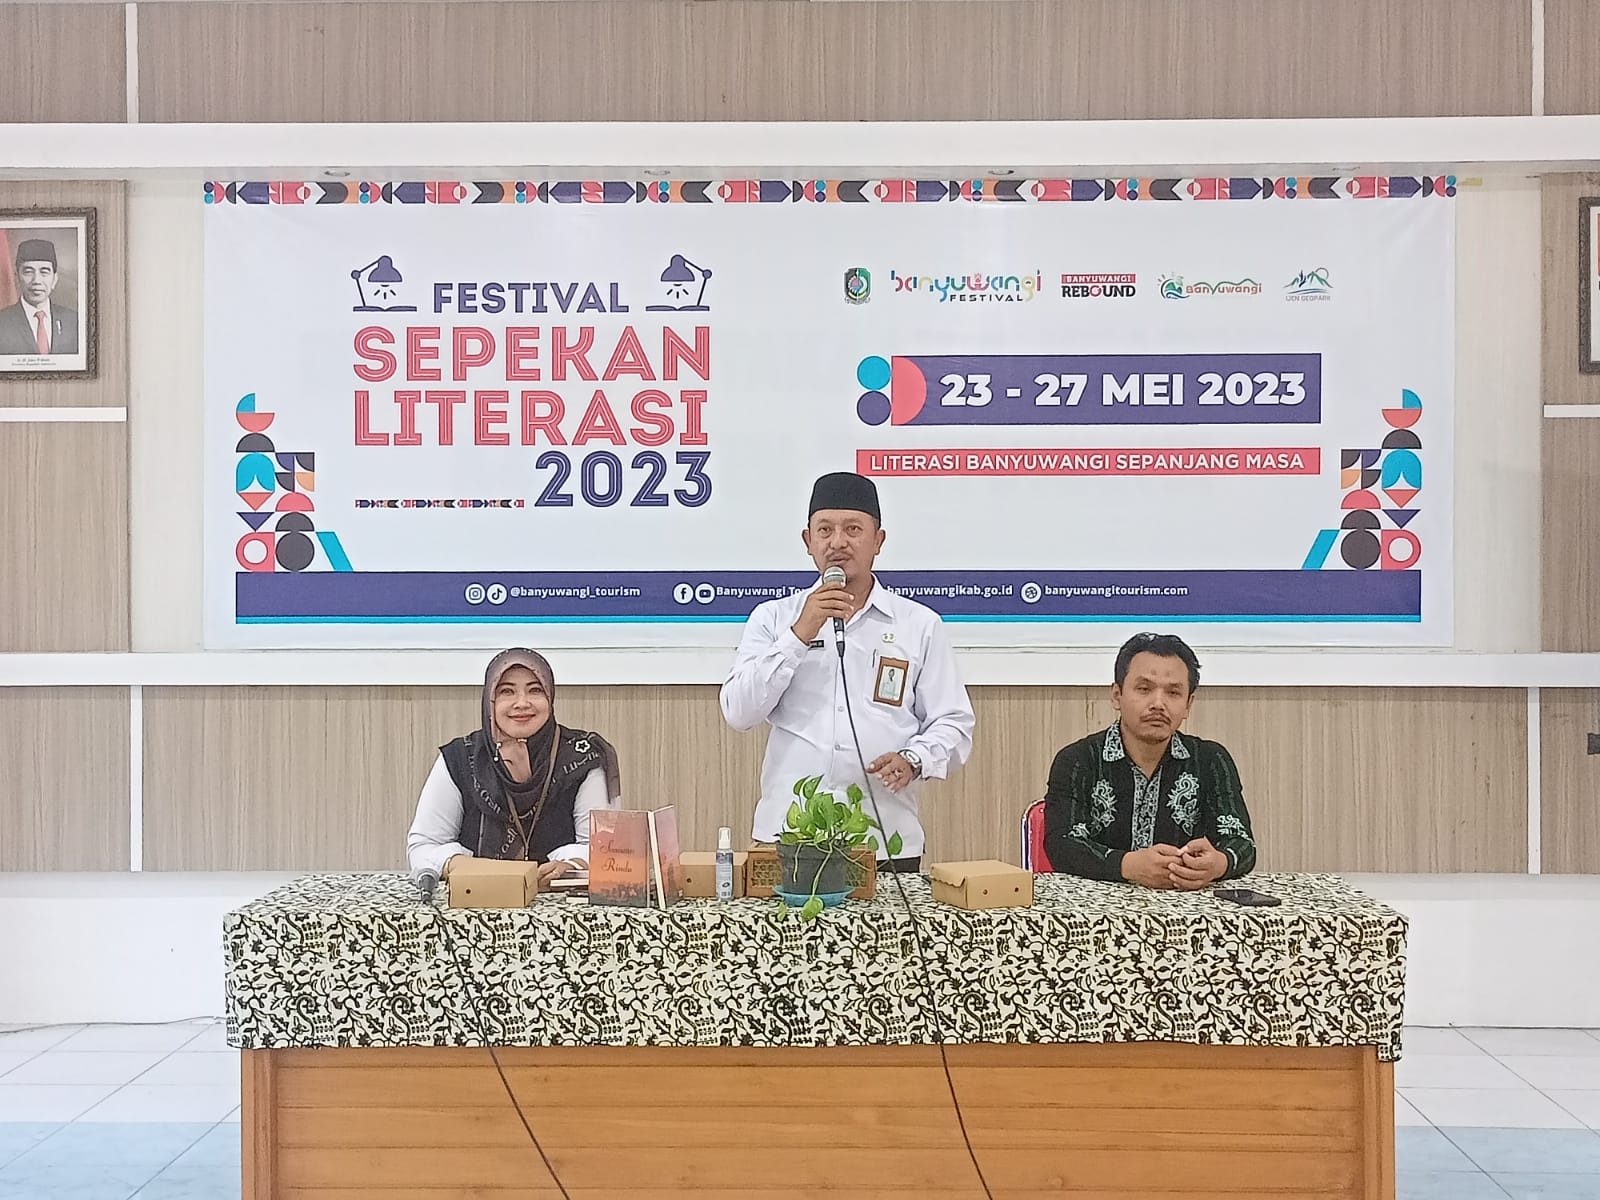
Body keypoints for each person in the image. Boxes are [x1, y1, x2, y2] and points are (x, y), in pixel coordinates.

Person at [720, 471, 975, 871]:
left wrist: (914, 759)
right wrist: (799, 634)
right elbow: (739, 711)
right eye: (825, 530)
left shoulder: (918, 625)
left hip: (884, 839)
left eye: (853, 529)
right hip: (789, 836)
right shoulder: (774, 619)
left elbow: (954, 722)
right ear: (808, 541)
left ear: (878, 541)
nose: (837, 542)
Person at [1042, 632, 1256, 889]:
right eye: (1144, 689)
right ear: (1117, 695)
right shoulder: (1078, 761)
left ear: (1188, 704)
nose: (1158, 704)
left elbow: (1242, 843)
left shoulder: (1211, 760)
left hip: (1186, 906)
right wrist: (1128, 865)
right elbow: (1061, 844)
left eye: (1173, 693)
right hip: (1095, 907)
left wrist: (1218, 863)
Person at [408, 647, 621, 884]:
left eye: (535, 690)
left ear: (550, 697)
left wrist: (572, 866)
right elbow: (424, 847)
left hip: (557, 898)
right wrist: (459, 864)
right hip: (474, 896)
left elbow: (603, 849)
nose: (522, 703)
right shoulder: (460, 757)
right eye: (506, 691)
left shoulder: (583, 757)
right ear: (490, 700)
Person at [0, 238, 79, 356]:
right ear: (17, 278)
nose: (36, 280)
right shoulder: (3, 322)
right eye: (28, 271)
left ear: (54, 279)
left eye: (44, 272)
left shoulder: (74, 321)